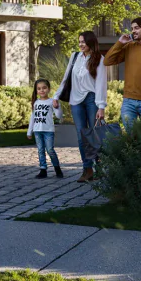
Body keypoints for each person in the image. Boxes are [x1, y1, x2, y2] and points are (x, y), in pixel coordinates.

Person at [56, 30, 109, 182]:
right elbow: (66, 79)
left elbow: (100, 84)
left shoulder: (99, 59)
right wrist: (56, 96)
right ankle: (87, 169)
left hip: (92, 99)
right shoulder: (75, 57)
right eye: (79, 42)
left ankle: (99, 168)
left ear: (91, 42)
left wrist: (101, 106)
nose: (80, 44)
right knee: (81, 136)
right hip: (76, 100)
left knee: (93, 135)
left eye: (83, 42)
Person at [26, 79, 62, 178]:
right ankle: (43, 169)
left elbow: (59, 116)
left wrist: (57, 106)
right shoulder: (36, 103)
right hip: (37, 131)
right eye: (39, 89)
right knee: (40, 150)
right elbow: (32, 117)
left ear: (49, 89)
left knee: (50, 150)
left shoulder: (51, 101)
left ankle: (57, 168)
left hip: (48, 130)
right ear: (36, 90)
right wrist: (29, 131)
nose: (42, 90)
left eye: (44, 88)